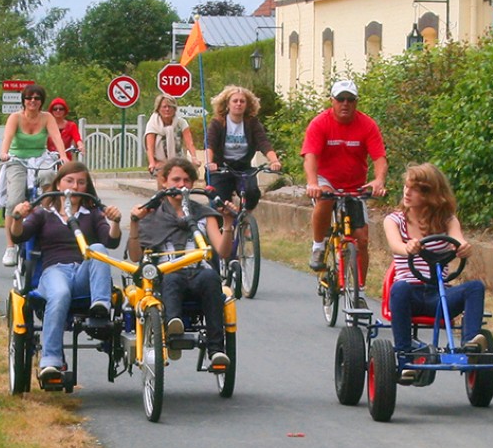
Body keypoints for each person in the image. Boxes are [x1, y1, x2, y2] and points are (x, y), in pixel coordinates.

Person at [10, 161, 122, 381]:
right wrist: (17, 217)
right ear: (58, 184)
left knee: (97, 249)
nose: (75, 186)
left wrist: (116, 222)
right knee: (60, 294)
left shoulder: (93, 214)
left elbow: (110, 241)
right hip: (54, 272)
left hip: (83, 273)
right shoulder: (43, 213)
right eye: (69, 181)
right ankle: (50, 362)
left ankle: (100, 307)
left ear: (86, 187)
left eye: (81, 182)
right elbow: (19, 236)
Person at [128, 158, 236, 366]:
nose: (182, 185)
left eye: (187, 180)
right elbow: (134, 257)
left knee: (211, 277)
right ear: (164, 183)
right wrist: (134, 223)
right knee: (172, 278)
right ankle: (173, 329)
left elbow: (222, 251)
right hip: (168, 273)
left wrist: (229, 222)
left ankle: (216, 350)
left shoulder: (204, 214)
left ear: (193, 184)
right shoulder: (150, 214)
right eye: (176, 179)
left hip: (199, 272)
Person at [384, 163, 485, 373]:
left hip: (439, 296)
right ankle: (405, 353)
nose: (406, 192)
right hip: (408, 295)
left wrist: (463, 248)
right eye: (406, 186)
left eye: (414, 189)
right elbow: (396, 245)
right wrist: (408, 247)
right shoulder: (394, 220)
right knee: (400, 288)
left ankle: (470, 345)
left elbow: (457, 239)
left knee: (475, 287)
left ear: (430, 194)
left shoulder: (447, 220)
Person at [301, 80, 387, 291]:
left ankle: (360, 289)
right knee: (324, 199)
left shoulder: (367, 125)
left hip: (355, 185)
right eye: (340, 99)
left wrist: (379, 181)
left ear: (356, 102)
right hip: (326, 180)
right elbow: (310, 156)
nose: (345, 104)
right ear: (332, 101)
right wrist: (313, 183)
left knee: (362, 240)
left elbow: (380, 158)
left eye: (350, 100)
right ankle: (319, 246)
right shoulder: (320, 123)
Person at [0, 84, 69, 267]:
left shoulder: (47, 117)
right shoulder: (15, 117)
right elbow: (7, 137)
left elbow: (56, 137)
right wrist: (4, 153)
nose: (33, 101)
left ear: (41, 102)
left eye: (37, 98)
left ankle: (44, 219)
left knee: (48, 177)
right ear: (24, 100)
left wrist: (63, 156)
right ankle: (10, 246)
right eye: (29, 98)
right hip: (17, 159)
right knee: (14, 201)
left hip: (41, 157)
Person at [205, 85, 282, 214]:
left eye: (242, 101)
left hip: (243, 168)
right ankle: (224, 227)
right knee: (219, 201)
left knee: (252, 192)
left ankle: (245, 220)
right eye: (235, 101)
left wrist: (274, 161)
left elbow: (264, 143)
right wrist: (209, 162)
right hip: (220, 168)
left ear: (247, 105)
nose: (238, 104)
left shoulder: (252, 123)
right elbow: (209, 145)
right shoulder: (218, 123)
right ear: (227, 104)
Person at [144, 94, 200, 175]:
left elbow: (189, 143)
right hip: (160, 161)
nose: (167, 109)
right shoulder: (152, 124)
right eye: (164, 107)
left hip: (178, 159)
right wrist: (152, 163)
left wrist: (194, 158)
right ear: (158, 109)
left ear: (174, 109)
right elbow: (150, 147)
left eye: (170, 107)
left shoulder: (181, 122)